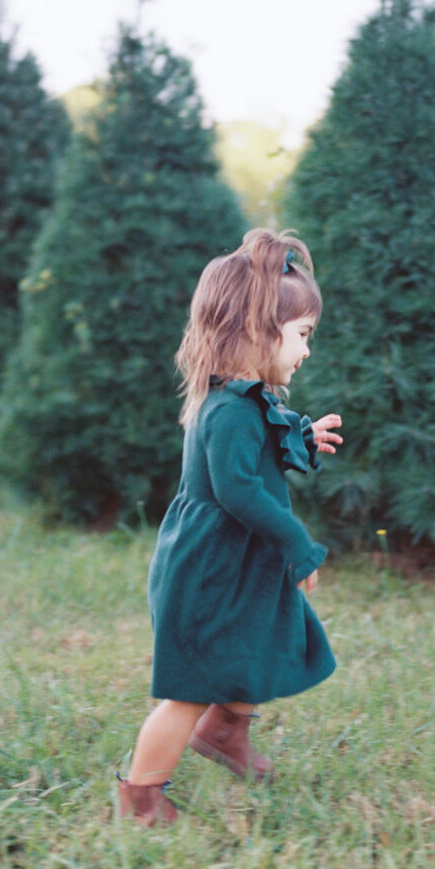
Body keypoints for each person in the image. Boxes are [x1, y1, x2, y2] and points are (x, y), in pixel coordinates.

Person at [118, 229, 343, 825]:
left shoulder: (243, 401)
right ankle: (142, 794)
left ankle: (227, 731)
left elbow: (265, 442)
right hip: (210, 569)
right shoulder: (228, 412)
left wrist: (301, 437)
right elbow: (239, 489)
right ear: (254, 332)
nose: (307, 351)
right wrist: (299, 546)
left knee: (261, 641)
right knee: (187, 691)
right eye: (302, 336)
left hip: (235, 563)